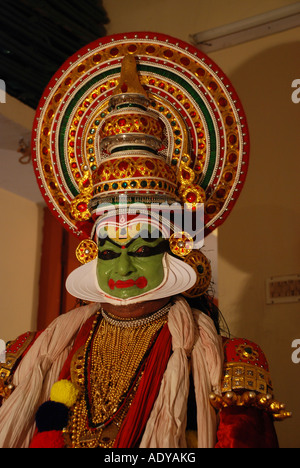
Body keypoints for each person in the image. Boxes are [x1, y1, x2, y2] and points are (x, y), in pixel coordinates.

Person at [0, 32, 290, 448]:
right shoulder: (29, 356)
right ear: (90, 253)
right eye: (109, 251)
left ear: (175, 249)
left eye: (141, 249)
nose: (121, 268)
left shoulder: (228, 365)